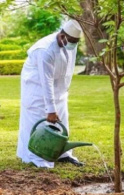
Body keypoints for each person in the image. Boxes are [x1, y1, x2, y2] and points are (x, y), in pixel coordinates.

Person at [17, 19, 84, 168]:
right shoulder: (45, 50)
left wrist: (63, 93)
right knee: (36, 124)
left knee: (62, 123)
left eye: (76, 41)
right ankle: (37, 159)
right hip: (36, 90)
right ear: (61, 36)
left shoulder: (70, 45)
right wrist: (51, 110)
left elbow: (67, 70)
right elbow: (45, 81)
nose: (73, 43)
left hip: (58, 91)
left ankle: (63, 154)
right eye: (71, 40)